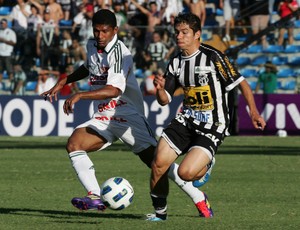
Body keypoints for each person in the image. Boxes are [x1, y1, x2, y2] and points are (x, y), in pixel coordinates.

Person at [41, 9, 214, 216]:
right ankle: (95, 195)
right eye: (96, 31)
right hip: (104, 116)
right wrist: (64, 81)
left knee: (157, 164)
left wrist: (80, 95)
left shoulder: (121, 53)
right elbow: (90, 66)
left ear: (115, 30)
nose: (100, 36)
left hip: (127, 115)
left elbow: (115, 90)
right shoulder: (92, 45)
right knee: (74, 144)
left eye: (105, 31)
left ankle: (198, 196)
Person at [148, 12, 266, 221]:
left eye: (185, 32)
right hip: (186, 119)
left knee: (186, 173)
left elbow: (242, 83)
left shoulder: (213, 57)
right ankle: (160, 214)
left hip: (213, 124)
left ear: (197, 35)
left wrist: (254, 112)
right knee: (158, 163)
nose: (179, 36)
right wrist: (159, 89)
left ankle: (207, 163)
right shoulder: (176, 61)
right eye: (177, 32)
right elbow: (165, 99)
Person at [0, 18, 17, 86]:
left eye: (4, 23)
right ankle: (0, 83)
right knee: (0, 70)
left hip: (8, 53)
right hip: (0, 53)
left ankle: (10, 82)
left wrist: (4, 41)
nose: (2, 25)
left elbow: (14, 42)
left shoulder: (11, 32)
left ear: (6, 24)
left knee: (9, 69)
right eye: (1, 23)